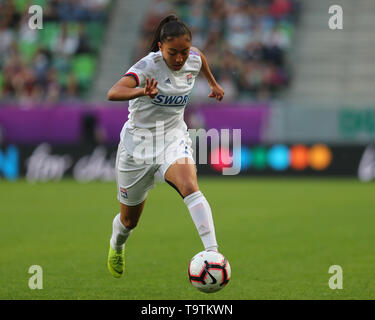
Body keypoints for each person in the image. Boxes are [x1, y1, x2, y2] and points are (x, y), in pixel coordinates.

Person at [106, 14, 225, 278]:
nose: (180, 59)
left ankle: (213, 253)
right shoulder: (148, 66)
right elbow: (113, 92)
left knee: (189, 185)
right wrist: (140, 91)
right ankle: (117, 244)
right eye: (173, 53)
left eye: (184, 51)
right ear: (161, 47)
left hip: (172, 137)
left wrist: (214, 83)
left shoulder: (192, 57)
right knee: (129, 221)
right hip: (137, 147)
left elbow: (200, 58)